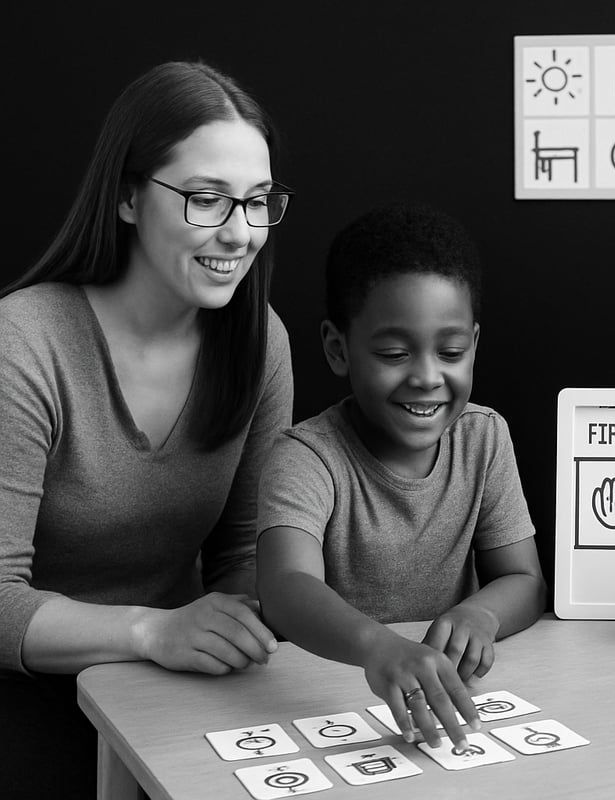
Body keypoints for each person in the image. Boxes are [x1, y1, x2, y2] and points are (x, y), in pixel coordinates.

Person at [0, 61, 294, 796]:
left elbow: (244, 552)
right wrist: (151, 630)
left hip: (176, 681)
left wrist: (245, 624)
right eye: (205, 199)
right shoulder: (26, 342)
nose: (240, 233)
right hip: (30, 687)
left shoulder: (261, 342)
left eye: (258, 202)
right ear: (129, 197)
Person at [256, 203, 546, 751]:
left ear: (474, 346)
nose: (427, 377)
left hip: (444, 697)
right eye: (394, 353)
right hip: (330, 705)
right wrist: (378, 647)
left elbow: (525, 580)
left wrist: (481, 613)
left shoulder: (484, 438)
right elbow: (285, 589)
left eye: (452, 352)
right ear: (338, 349)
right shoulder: (306, 457)